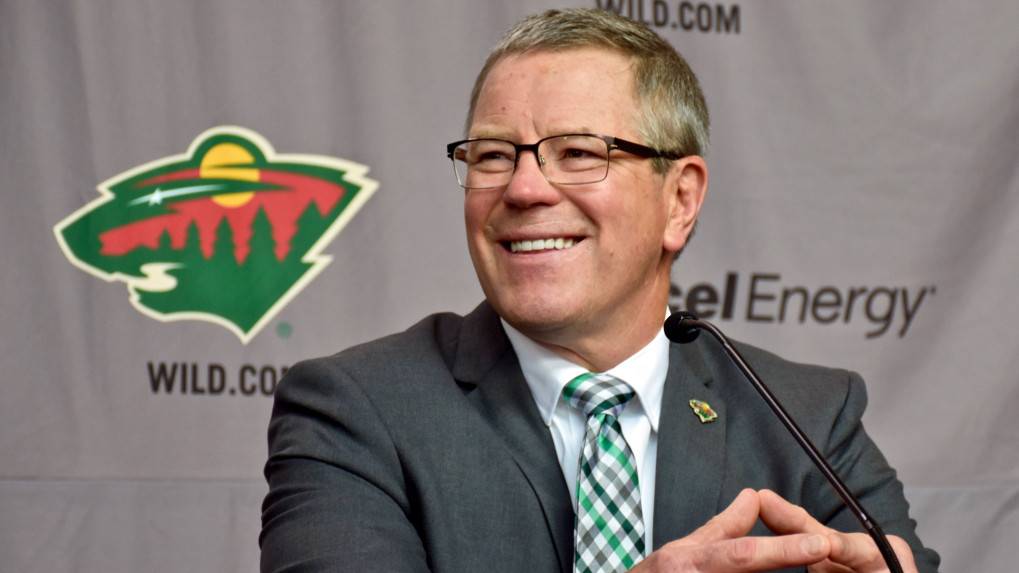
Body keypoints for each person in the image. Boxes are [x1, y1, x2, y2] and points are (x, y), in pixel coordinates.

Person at [260, 8, 940, 573]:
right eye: (493, 155)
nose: (523, 189)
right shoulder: (354, 411)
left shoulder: (806, 416)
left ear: (679, 200)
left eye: (579, 153)